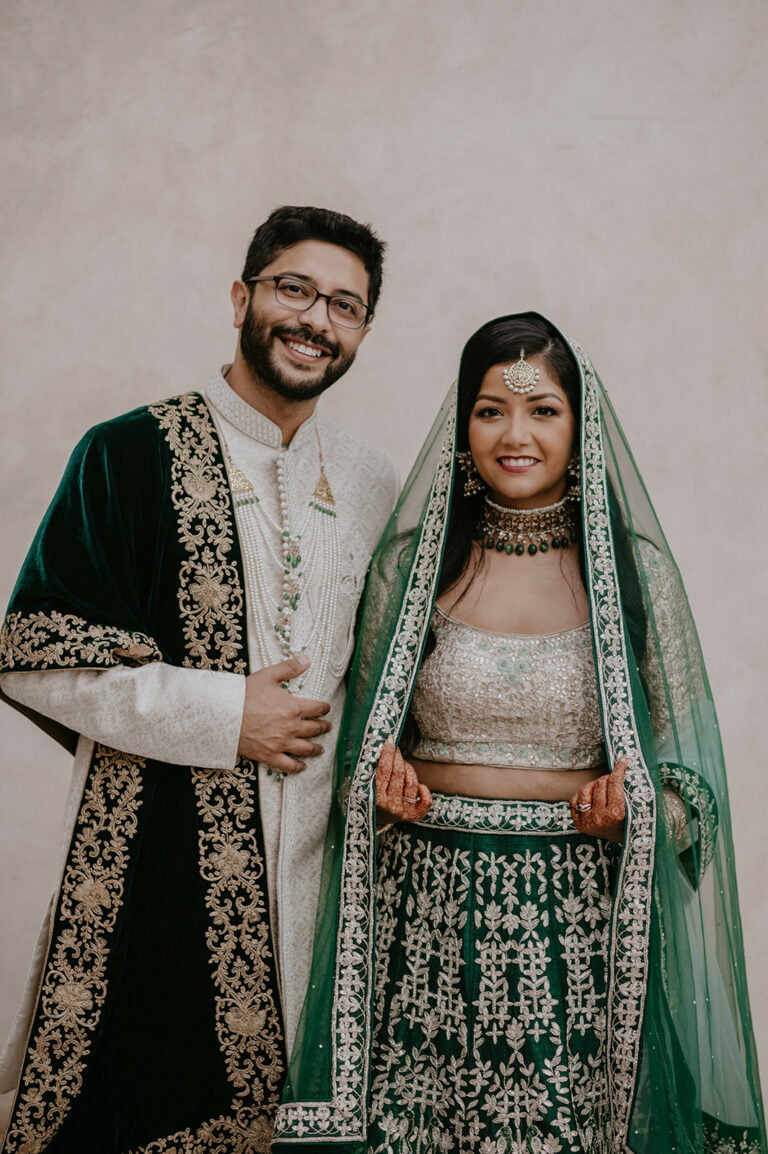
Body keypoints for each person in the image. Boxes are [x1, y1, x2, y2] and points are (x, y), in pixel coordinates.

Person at [271, 313, 766, 1154]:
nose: (516, 435)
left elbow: (695, 778)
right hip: (425, 918)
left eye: (543, 411)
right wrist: (379, 795)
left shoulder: (634, 576)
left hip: (580, 926)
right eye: (491, 410)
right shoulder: (410, 568)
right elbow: (357, 753)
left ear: (580, 426)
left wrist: (642, 813)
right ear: (463, 425)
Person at [0, 205, 398, 1153]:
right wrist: (226, 714)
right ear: (241, 297)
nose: (316, 319)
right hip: (157, 876)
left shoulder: (374, 482)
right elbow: (33, 655)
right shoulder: (127, 453)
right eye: (294, 289)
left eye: (344, 305)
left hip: (325, 888)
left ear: (362, 331)